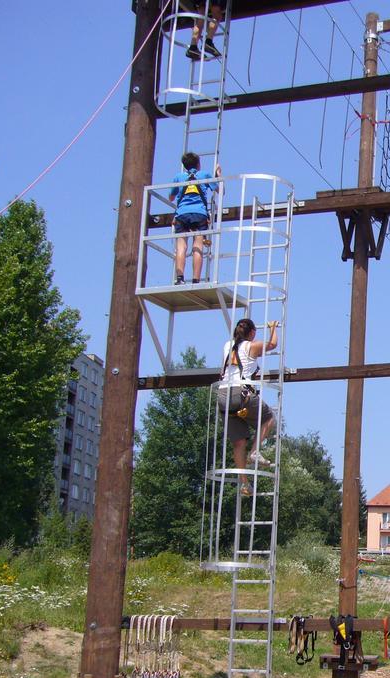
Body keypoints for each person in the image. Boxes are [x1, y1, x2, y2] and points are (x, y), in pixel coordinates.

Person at [218, 318, 277, 496]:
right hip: (240, 394)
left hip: (222, 396)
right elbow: (272, 344)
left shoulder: (227, 346)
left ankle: (244, 484)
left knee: (238, 442)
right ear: (251, 333)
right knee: (268, 418)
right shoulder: (250, 346)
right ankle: (254, 452)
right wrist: (273, 328)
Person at [169, 152, 220, 285]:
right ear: (198, 164)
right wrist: (218, 176)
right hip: (199, 214)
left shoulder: (178, 177)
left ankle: (180, 278)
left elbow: (171, 197)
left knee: (181, 247)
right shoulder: (204, 175)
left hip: (182, 214)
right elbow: (220, 190)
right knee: (197, 246)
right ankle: (196, 280)